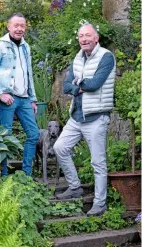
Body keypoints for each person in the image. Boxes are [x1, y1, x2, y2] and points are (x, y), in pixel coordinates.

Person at [53, 23, 116, 217]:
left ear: (96, 38)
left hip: (96, 117)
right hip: (77, 116)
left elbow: (95, 84)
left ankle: (100, 203)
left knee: (98, 162)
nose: (84, 39)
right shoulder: (78, 58)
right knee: (60, 147)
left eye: (88, 35)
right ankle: (74, 187)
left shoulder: (106, 57)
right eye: (81, 36)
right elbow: (65, 87)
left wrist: (79, 84)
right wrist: (78, 86)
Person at [0, 13, 39, 176]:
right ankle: (4, 176)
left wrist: (33, 98)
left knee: (33, 134)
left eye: (22, 26)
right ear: (9, 26)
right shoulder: (0, 46)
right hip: (8, 99)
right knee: (5, 137)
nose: (19, 29)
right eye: (16, 25)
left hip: (25, 99)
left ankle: (26, 175)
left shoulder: (26, 47)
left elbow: (29, 74)